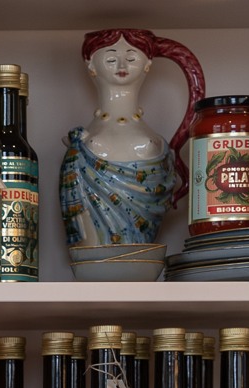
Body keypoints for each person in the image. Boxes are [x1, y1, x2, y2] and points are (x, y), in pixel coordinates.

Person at [58, 27, 204, 248]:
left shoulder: (153, 143)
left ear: (148, 63)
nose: (122, 66)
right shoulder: (82, 143)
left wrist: (175, 146)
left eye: (131, 58)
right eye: (111, 59)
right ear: (90, 63)